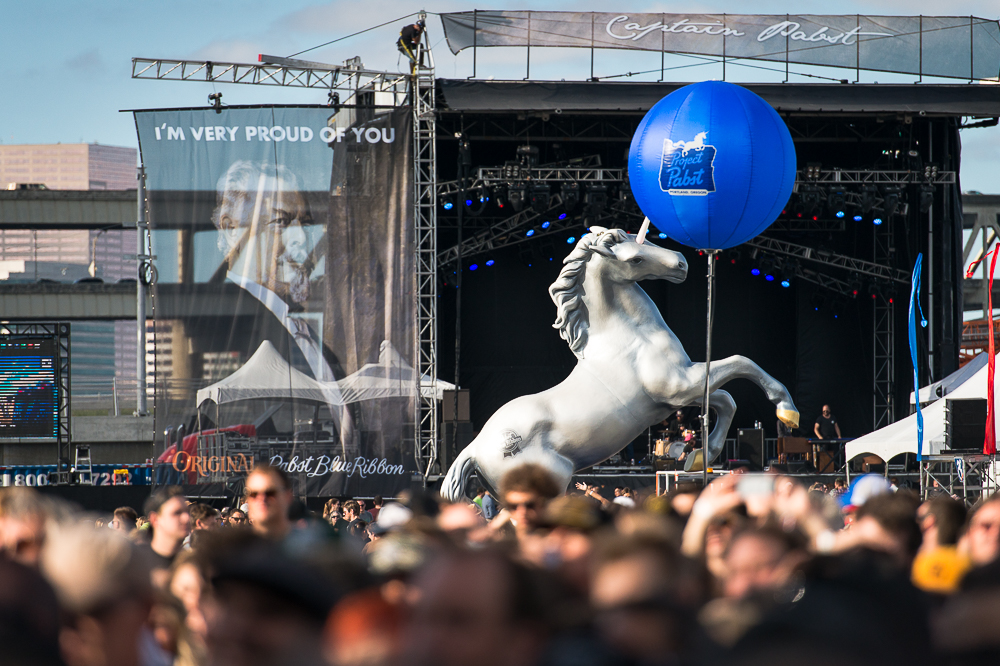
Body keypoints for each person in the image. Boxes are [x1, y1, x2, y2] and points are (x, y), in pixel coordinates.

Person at [499, 463, 562, 540]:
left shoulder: (562, 544)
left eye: (530, 505)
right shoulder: (505, 547)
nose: (522, 512)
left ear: (546, 503)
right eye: (513, 506)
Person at [145, 486, 192, 577]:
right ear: (155, 519)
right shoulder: (136, 565)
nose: (187, 518)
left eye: (187, 512)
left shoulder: (194, 565)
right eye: (177, 513)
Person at [244, 463, 294, 541]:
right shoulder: (233, 549)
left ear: (287, 497)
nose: (262, 498)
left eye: (270, 493)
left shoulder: (309, 548)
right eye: (254, 494)